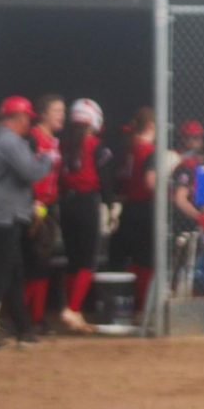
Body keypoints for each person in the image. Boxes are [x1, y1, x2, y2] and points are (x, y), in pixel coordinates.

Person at [0, 96, 53, 350]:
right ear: (18, 118)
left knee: (13, 273)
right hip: (0, 218)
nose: (28, 124)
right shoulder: (8, 141)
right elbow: (31, 172)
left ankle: (25, 330)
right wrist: (47, 158)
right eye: (26, 119)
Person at [57, 98, 114, 333]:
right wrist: (111, 206)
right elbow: (106, 181)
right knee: (88, 260)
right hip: (87, 202)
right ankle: (72, 308)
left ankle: (73, 311)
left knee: (73, 259)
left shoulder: (63, 144)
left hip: (66, 203)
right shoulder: (97, 146)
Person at [22, 93, 65, 327]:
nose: (62, 116)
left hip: (49, 205)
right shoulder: (34, 138)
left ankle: (35, 316)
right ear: (43, 114)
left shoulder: (54, 140)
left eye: (63, 111)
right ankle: (27, 317)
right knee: (35, 261)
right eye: (57, 111)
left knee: (44, 262)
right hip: (35, 205)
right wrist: (33, 203)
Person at [110, 107, 156, 312]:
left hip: (127, 207)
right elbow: (150, 184)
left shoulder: (128, 148)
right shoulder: (148, 150)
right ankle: (142, 306)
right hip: (144, 207)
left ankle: (127, 303)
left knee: (129, 259)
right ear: (151, 126)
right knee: (145, 259)